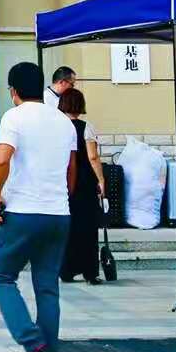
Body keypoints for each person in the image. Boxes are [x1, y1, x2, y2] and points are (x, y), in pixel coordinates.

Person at [0, 62, 77, 352]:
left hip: (23, 211)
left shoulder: (14, 117)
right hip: (58, 213)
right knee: (47, 287)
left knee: (1, 277)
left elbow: (2, 158)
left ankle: (34, 344)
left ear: (13, 90)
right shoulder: (64, 121)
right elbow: (71, 171)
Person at [57, 88, 106, 284]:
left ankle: (66, 270)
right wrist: (101, 179)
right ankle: (89, 272)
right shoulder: (86, 127)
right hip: (84, 182)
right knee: (87, 228)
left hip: (61, 181)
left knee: (66, 227)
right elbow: (92, 157)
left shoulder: (56, 126)